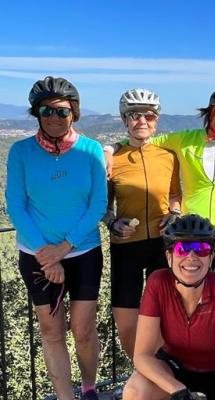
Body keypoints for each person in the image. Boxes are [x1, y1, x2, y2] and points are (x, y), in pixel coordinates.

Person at [6, 76, 107, 400]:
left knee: (84, 330)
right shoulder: (20, 152)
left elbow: (99, 205)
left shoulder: (91, 150)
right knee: (52, 332)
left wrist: (63, 249)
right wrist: (45, 255)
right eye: (45, 110)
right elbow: (16, 206)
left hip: (83, 251)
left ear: (74, 113)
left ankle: (89, 388)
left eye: (61, 111)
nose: (53, 117)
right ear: (36, 113)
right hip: (37, 255)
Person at [105, 84, 215, 288]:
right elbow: (144, 138)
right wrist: (109, 149)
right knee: (192, 293)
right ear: (211, 111)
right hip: (193, 228)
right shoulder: (184, 140)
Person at [122, 214, 215, 400]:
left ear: (211, 257)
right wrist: (178, 389)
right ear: (169, 256)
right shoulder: (157, 283)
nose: (191, 257)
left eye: (201, 249)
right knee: (135, 392)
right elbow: (142, 356)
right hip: (176, 369)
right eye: (182, 248)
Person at [104, 88, 181, 359]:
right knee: (126, 322)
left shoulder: (168, 157)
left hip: (163, 245)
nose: (142, 121)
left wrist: (175, 213)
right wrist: (112, 223)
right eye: (135, 115)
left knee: (163, 318)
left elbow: (175, 195)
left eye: (148, 115)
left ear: (156, 120)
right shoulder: (113, 158)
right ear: (125, 120)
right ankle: (140, 371)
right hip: (126, 247)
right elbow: (103, 206)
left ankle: (163, 374)